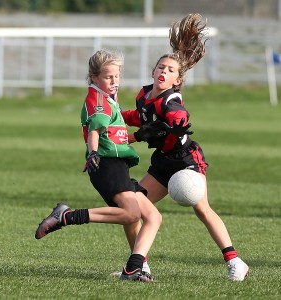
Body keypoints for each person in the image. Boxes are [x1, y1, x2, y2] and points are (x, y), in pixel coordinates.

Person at [116, 13, 249, 281]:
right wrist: (116, 115)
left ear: (177, 80)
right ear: (153, 72)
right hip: (163, 163)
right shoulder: (144, 95)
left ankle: (236, 262)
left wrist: (168, 126)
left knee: (202, 209)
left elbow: (179, 117)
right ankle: (139, 264)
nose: (164, 71)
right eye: (161, 67)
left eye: (171, 70)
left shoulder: (170, 101)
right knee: (132, 208)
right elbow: (137, 117)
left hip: (186, 160)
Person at [35, 49, 163, 282]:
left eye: (117, 76)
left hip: (116, 165)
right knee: (132, 213)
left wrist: (140, 135)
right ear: (94, 77)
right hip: (106, 165)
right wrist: (92, 153)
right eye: (108, 77)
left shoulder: (109, 100)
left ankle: (136, 268)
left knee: (152, 217)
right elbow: (95, 130)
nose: (114, 81)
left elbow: (114, 137)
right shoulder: (98, 100)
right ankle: (67, 216)